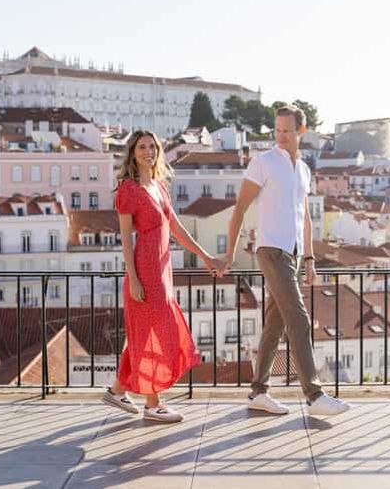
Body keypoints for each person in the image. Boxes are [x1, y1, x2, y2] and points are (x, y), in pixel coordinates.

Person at [221, 105, 350, 417]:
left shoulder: (303, 170)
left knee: (274, 325)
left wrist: (309, 259)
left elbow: (304, 217)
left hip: (290, 254)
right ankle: (314, 394)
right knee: (299, 319)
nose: (280, 135)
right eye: (277, 130)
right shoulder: (263, 163)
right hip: (270, 250)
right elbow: (239, 208)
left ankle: (258, 392)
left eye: (287, 130)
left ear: (300, 132)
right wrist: (229, 253)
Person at [103, 129, 224, 423]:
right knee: (156, 333)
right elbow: (125, 239)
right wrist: (133, 279)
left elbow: (177, 229)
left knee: (145, 334)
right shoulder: (128, 190)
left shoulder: (159, 186)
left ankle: (117, 390)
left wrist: (206, 257)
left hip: (162, 269)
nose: (148, 152)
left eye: (152, 147)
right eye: (142, 147)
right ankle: (153, 403)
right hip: (144, 271)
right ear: (132, 152)